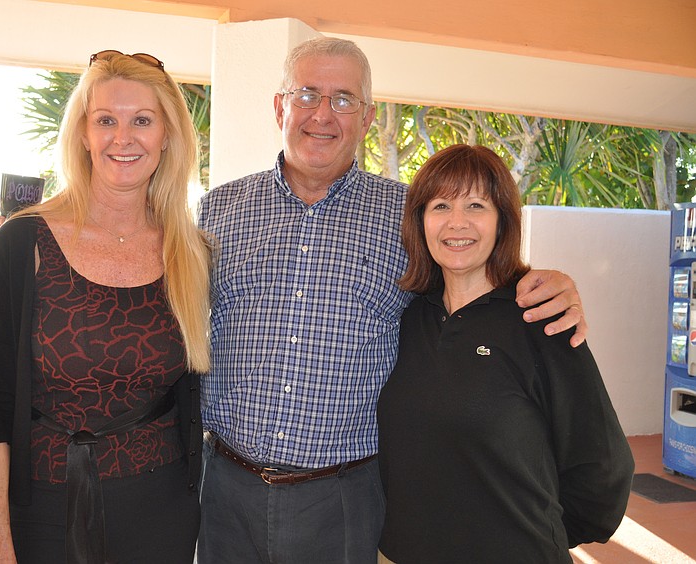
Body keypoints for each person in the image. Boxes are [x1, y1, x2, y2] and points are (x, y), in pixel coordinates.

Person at [195, 37, 588, 563]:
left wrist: (542, 281)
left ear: (366, 116)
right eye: (307, 95)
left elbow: (474, 278)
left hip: (343, 496)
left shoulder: (406, 216)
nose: (322, 115)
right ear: (279, 106)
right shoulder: (218, 210)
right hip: (225, 488)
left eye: (343, 100)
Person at [0, 50, 211, 564]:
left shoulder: (191, 251)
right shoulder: (23, 242)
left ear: (167, 135)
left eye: (142, 120)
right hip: (43, 506)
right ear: (83, 133)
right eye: (106, 120)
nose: (123, 138)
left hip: (162, 510)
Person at [377, 144, 633, 563]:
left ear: (502, 221)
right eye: (440, 205)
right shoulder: (407, 318)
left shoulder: (540, 320)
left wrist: (541, 534)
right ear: (420, 221)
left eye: (476, 205)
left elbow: (603, 463)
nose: (456, 223)